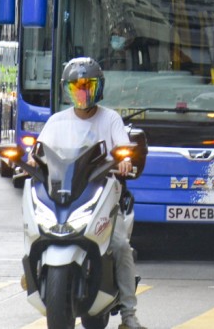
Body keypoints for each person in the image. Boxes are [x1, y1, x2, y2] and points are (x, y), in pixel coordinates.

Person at [35, 58, 146, 329]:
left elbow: (123, 149)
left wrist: (124, 160)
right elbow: (39, 153)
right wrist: (29, 162)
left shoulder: (110, 119)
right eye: (76, 87)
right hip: (66, 196)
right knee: (36, 231)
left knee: (120, 246)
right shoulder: (56, 121)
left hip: (103, 195)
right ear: (67, 90)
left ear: (98, 89)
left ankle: (130, 316)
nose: (82, 93)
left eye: (88, 87)